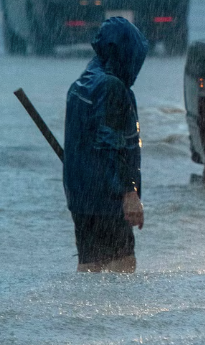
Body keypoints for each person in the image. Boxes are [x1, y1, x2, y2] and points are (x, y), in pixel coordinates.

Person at [63, 16, 149, 273]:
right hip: (108, 201)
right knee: (123, 270)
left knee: (90, 268)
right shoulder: (112, 88)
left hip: (81, 198)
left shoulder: (81, 84)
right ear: (125, 53)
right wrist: (128, 193)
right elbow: (111, 145)